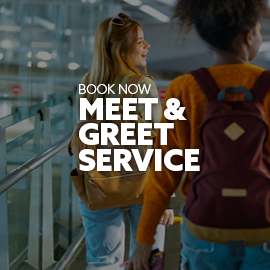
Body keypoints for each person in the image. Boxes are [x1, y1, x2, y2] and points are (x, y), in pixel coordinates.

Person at [128, 1, 270, 270]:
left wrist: (145, 241)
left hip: (205, 227)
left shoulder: (184, 88)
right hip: (264, 226)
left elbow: (164, 172)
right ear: (249, 36)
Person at [75, 13, 174, 269]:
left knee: (101, 262)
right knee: (148, 260)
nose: (147, 46)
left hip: (99, 182)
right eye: (140, 41)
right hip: (142, 183)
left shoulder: (88, 84)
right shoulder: (141, 85)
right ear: (121, 48)